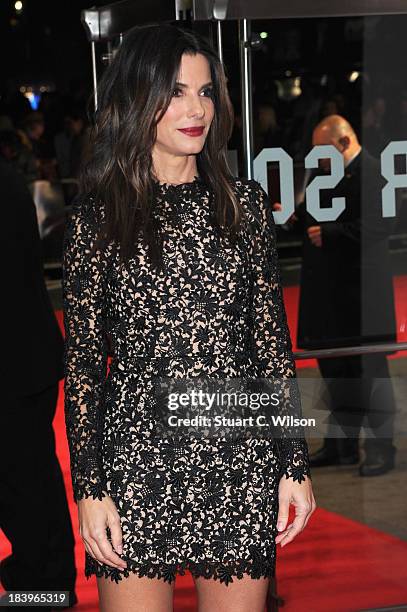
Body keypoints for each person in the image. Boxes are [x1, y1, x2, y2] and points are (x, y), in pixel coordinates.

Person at [62, 24, 316, 612]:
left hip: (236, 456)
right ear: (138, 98)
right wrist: (90, 490)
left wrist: (291, 462)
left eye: (205, 92)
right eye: (176, 92)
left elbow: (269, 346)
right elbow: (81, 368)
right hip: (134, 460)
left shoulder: (243, 204)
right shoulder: (98, 218)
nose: (196, 108)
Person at [274, 115, 397, 477]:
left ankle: (380, 448)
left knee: (370, 372)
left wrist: (331, 234)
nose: (316, 159)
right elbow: (315, 217)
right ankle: (341, 446)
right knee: (337, 369)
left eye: (321, 151)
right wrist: (292, 218)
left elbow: (381, 224)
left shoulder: (374, 173)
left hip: (360, 294)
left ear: (343, 142)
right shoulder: (330, 173)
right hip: (332, 293)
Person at [0, 158, 77, 608]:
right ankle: (43, 588)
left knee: (26, 490)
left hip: (15, 367)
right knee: (31, 485)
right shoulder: (8, 179)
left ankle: (43, 592)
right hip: (24, 361)